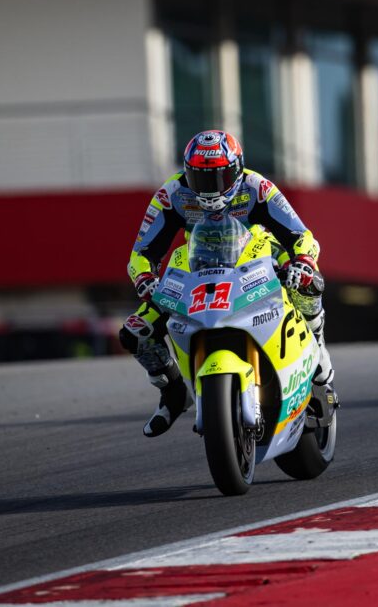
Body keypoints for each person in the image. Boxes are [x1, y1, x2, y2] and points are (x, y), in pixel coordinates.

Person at [119, 130, 334, 437]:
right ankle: (173, 392)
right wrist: (145, 280)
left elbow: (301, 235)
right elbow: (142, 252)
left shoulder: (257, 187)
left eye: (217, 178)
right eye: (199, 178)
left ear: (236, 169)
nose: (208, 188)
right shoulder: (172, 194)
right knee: (135, 332)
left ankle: (317, 344)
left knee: (309, 282)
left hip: (258, 258)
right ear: (186, 171)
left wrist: (303, 261)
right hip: (196, 269)